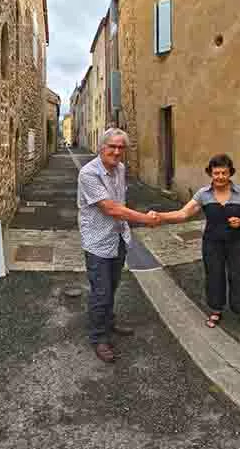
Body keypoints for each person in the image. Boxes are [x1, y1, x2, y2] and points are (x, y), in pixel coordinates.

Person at [77, 128, 164, 363]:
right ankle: (98, 338)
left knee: (112, 286)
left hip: (118, 238)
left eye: (121, 147)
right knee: (101, 291)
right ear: (101, 147)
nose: (116, 152)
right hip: (97, 241)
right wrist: (146, 218)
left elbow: (120, 202)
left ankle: (108, 322)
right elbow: (110, 208)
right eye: (112, 146)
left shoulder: (121, 169)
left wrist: (128, 227)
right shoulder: (88, 173)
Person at [159, 154, 240, 335]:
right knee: (214, 276)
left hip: (237, 242)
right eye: (216, 173)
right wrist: (160, 217)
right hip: (212, 243)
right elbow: (183, 214)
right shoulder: (203, 195)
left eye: (224, 173)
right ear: (210, 174)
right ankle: (216, 310)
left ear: (230, 173)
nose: (220, 177)